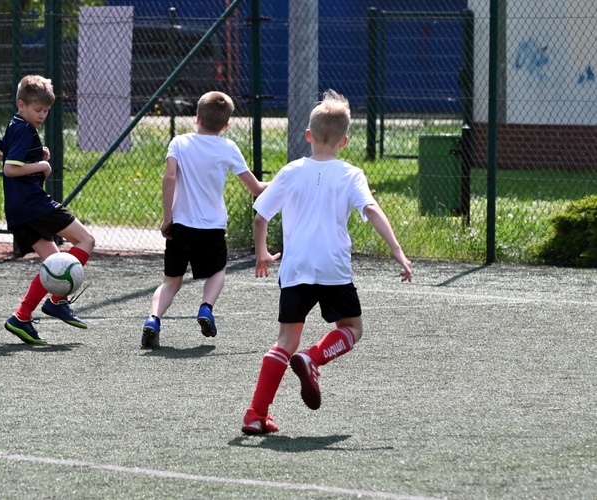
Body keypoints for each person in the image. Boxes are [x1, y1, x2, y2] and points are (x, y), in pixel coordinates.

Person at [240, 89, 412, 434]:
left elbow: (260, 216)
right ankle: (313, 358)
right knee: (352, 329)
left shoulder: (290, 171)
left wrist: (261, 252)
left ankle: (256, 414)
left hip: (295, 269)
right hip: (333, 269)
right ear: (344, 141)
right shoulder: (350, 174)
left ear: (308, 135)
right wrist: (396, 249)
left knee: (284, 342)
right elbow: (372, 210)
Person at [141, 91, 268, 349]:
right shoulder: (228, 148)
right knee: (218, 270)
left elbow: (169, 178)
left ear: (196, 117)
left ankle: (153, 319)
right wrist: (285, 183)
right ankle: (206, 308)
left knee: (170, 281)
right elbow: (255, 188)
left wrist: (168, 218)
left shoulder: (179, 142)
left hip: (181, 226)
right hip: (212, 228)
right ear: (226, 124)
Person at [0, 75, 96, 345]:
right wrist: (41, 165)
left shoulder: (15, 125)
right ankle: (58, 300)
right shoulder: (25, 130)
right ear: (21, 104)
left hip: (18, 210)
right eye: (37, 110)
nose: (42, 115)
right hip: (33, 204)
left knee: (54, 263)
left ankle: (21, 317)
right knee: (85, 240)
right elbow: (9, 168)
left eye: (46, 110)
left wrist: (35, 153)